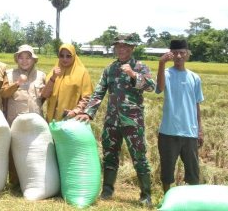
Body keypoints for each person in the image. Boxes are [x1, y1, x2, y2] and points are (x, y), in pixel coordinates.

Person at [76, 33, 156, 206]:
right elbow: (99, 92)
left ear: (132, 48)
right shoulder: (110, 69)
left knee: (139, 156)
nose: (121, 49)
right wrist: (88, 112)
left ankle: (146, 195)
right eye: (118, 46)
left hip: (133, 121)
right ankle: (107, 190)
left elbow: (152, 86)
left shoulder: (141, 67)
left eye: (125, 46)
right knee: (109, 155)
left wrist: (134, 74)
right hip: (112, 120)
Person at [156, 39, 204, 193]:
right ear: (170, 54)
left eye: (182, 53)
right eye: (175, 53)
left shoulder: (194, 78)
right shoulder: (166, 74)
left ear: (187, 54)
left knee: (193, 173)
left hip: (190, 132)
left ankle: (193, 201)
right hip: (168, 132)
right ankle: (166, 199)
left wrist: (200, 130)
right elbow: (159, 88)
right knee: (167, 172)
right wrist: (161, 64)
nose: (178, 56)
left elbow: (197, 104)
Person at [1, 44, 46, 187]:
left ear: (34, 60)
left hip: (36, 123)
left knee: (35, 153)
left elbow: (44, 97)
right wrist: (18, 83)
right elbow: (4, 93)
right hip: (15, 122)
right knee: (15, 152)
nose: (24, 61)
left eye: (28, 57)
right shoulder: (9, 74)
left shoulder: (41, 76)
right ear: (17, 59)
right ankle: (15, 183)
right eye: (21, 57)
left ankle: (34, 183)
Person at [42, 43, 93, 122]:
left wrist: (76, 111)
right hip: (51, 119)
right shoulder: (55, 71)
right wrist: (53, 77)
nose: (64, 59)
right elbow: (45, 95)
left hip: (71, 119)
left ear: (74, 56)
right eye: (61, 56)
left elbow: (87, 97)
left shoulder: (82, 73)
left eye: (68, 56)